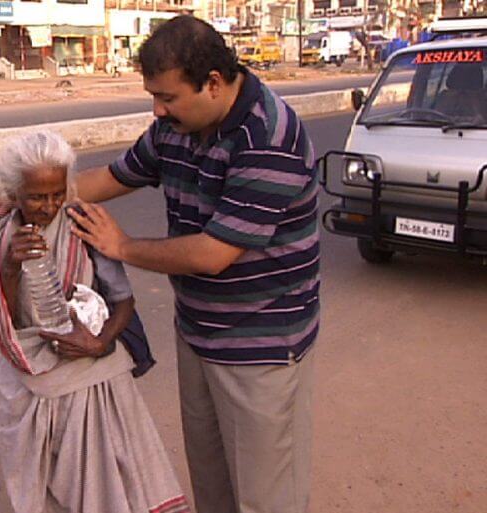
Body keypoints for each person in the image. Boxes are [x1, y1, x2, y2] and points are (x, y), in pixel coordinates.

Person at [61, 15, 320, 513]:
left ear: (214, 83)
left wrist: (122, 246)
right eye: (152, 97)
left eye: (167, 97)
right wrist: (35, 194)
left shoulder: (269, 137)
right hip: (199, 332)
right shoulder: (174, 129)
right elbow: (116, 176)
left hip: (260, 347)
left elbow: (213, 254)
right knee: (213, 482)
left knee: (266, 497)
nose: (157, 110)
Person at [0, 130, 189, 513]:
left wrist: (99, 342)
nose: (49, 206)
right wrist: (10, 264)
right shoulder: (1, 232)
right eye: (37, 197)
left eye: (57, 194)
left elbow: (123, 300)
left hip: (90, 377)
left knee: (100, 485)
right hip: (25, 380)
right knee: (46, 485)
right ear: (14, 194)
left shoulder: (82, 223)